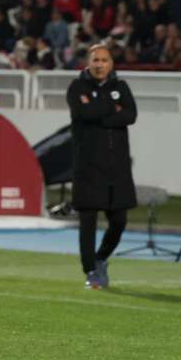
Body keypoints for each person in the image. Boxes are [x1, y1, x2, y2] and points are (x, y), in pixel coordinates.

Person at [66, 42, 138, 289]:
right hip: (87, 165)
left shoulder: (121, 87)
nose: (99, 64)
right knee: (88, 220)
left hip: (116, 166)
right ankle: (90, 271)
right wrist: (111, 108)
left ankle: (101, 258)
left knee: (119, 220)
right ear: (89, 62)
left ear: (111, 64)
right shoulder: (77, 87)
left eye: (104, 60)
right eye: (95, 60)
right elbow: (82, 113)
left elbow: (130, 115)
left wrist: (98, 110)